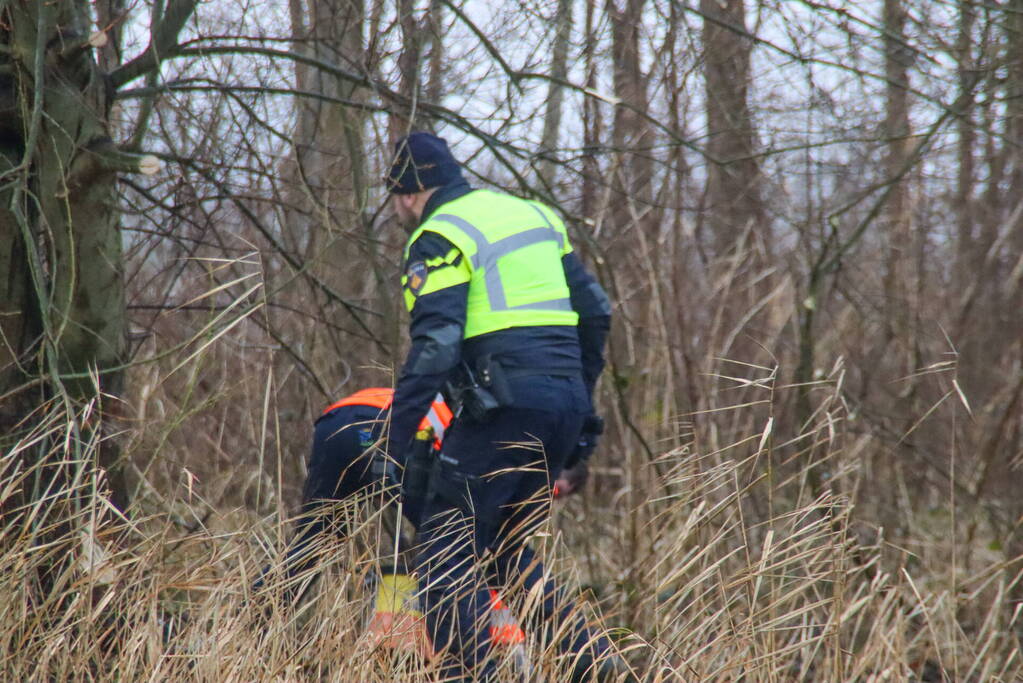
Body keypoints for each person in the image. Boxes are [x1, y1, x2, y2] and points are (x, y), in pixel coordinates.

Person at [384, 131, 629, 682]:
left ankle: (472, 675)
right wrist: (581, 414)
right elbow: (595, 313)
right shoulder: (534, 215)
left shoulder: (438, 235)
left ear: (410, 191)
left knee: (443, 553)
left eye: (396, 196)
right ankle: (593, 665)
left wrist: (397, 445)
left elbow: (437, 344)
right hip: (560, 403)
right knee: (501, 550)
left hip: (504, 409)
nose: (398, 208)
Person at [254, 387, 452, 599]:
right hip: (385, 429)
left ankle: (253, 617)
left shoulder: (432, 399)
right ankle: (464, 626)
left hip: (336, 423)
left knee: (315, 544)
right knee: (450, 538)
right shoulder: (466, 430)